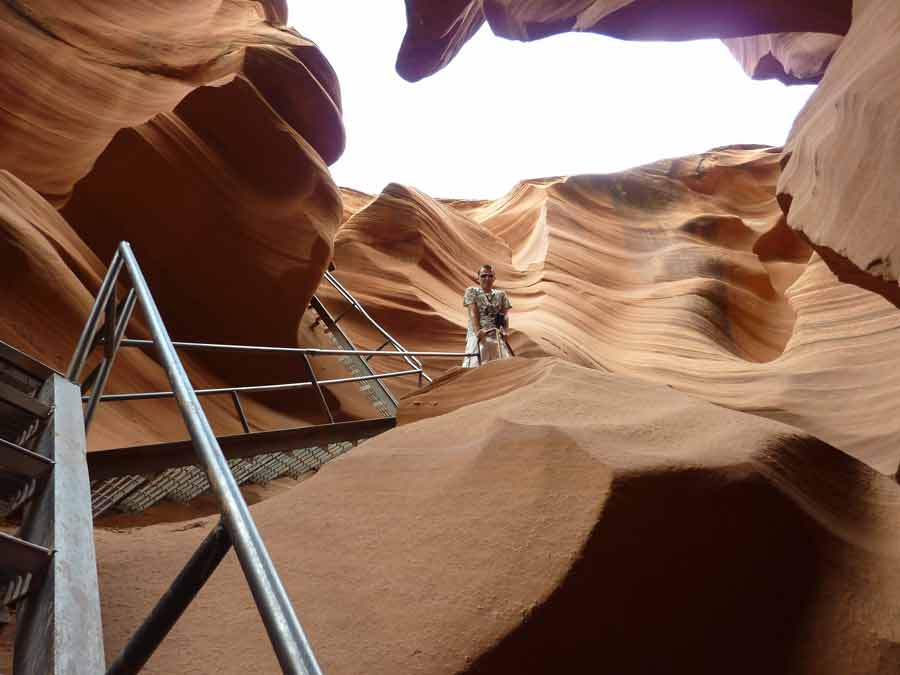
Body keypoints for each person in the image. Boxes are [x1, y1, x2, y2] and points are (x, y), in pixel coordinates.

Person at [461, 264, 513, 368]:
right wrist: (478, 331)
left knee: (502, 365)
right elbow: (473, 312)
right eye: (483, 276)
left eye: (490, 276)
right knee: (474, 365)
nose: (487, 278)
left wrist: (505, 331)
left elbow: (504, 315)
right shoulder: (472, 291)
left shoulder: (501, 295)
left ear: (494, 278)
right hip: (478, 335)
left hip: (495, 335)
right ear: (478, 278)